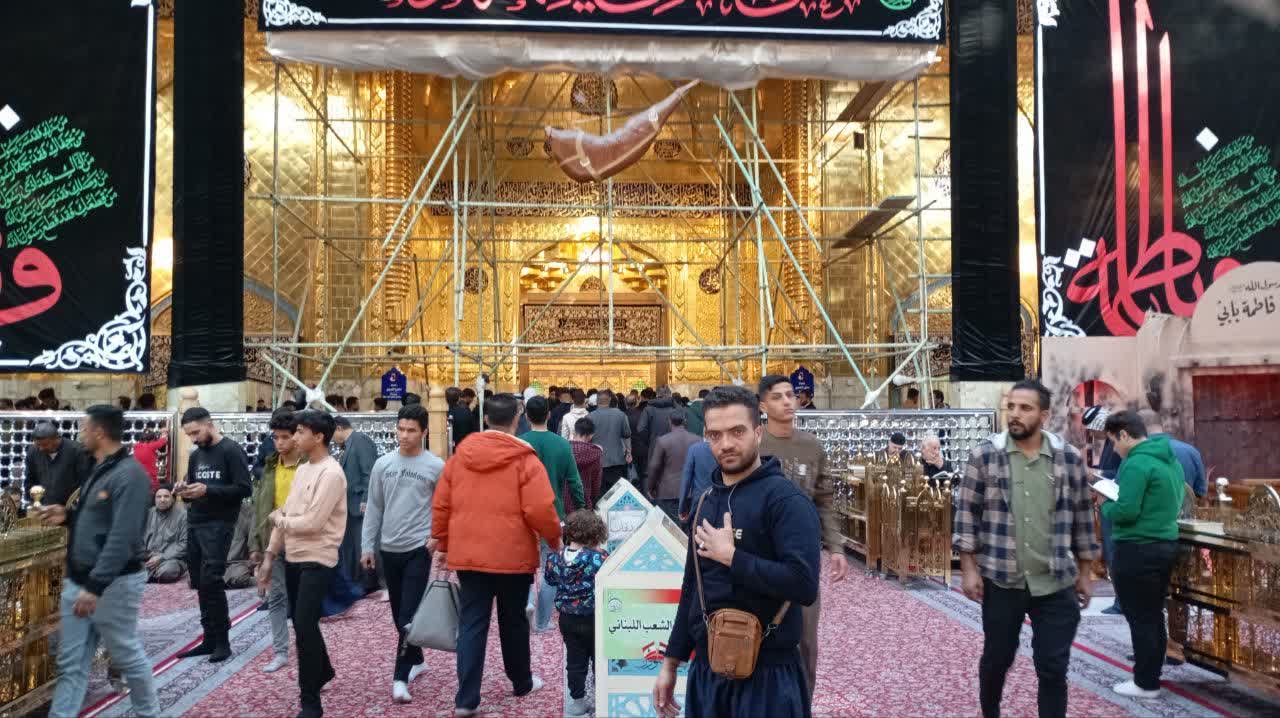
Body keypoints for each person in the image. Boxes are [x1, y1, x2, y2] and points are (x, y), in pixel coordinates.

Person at [653, 385, 821, 718]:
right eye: (715, 435)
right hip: (708, 674)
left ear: (758, 433)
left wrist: (732, 558)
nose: (726, 444)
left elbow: (803, 584)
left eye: (737, 432)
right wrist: (671, 663)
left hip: (768, 677)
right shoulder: (705, 502)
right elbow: (693, 587)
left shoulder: (786, 501)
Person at [954, 379, 1097, 718]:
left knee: (1053, 665)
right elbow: (966, 514)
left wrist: (1086, 572)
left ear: (1044, 415)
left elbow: (1082, 515)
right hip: (1003, 579)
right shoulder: (986, 456)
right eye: (1012, 407)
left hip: (1055, 581)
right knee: (998, 658)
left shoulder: (1067, 459)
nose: (1015, 414)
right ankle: (990, 710)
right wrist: (969, 569)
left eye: (1025, 408)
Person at [431, 393, 563, 717]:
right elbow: (539, 508)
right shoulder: (525, 459)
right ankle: (521, 681)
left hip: (469, 553)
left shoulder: (460, 456)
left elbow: (442, 503)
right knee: (513, 620)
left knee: (472, 622)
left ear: (486, 418)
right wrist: (554, 539)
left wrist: (444, 544)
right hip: (512, 554)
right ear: (517, 419)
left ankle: (466, 699)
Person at [42, 405, 159, 717]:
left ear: (99, 432)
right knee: (71, 664)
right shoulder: (100, 468)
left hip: (113, 584)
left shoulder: (130, 475)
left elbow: (122, 536)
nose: (80, 434)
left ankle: (149, 713)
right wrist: (67, 515)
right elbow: (97, 519)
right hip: (81, 580)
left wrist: (94, 586)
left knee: (125, 655)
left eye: (84, 428)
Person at [757, 375, 849, 700]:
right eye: (778, 396)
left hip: (803, 557)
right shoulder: (754, 445)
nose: (787, 401)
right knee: (760, 635)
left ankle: (803, 702)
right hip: (761, 554)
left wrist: (836, 547)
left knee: (806, 640)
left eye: (790, 395)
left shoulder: (812, 446)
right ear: (762, 406)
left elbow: (824, 500)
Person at [257, 410, 347, 718]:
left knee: (305, 626)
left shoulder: (331, 473)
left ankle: (310, 701)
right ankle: (324, 670)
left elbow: (313, 523)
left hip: (318, 558)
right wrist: (270, 555)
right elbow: (287, 511)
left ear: (318, 437)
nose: (294, 438)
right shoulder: (305, 469)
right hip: (293, 556)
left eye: (299, 432)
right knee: (301, 621)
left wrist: (280, 520)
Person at [361, 404, 445, 703]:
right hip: (388, 548)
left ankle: (399, 677)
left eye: (411, 430)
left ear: (424, 432)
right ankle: (417, 659)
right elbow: (374, 506)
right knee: (399, 615)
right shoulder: (383, 464)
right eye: (401, 429)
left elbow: (444, 507)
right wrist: (367, 545)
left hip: (418, 550)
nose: (404, 435)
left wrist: (438, 538)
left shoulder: (436, 466)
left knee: (407, 616)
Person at [1099, 410, 1184, 699]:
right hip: (1165, 544)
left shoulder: (1136, 463)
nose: (1114, 449)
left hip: (1137, 547)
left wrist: (1104, 504)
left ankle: (1146, 682)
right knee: (1153, 614)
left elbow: (1126, 511)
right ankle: (1151, 675)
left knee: (1140, 617)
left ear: (1124, 434)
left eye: (1113, 441)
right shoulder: (1170, 460)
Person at [176, 408, 252, 663]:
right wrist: (184, 489)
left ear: (209, 424)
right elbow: (195, 487)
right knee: (199, 581)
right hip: (195, 521)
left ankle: (222, 641)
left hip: (219, 523)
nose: (193, 438)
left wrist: (208, 490)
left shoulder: (231, 450)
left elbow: (244, 489)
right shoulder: (196, 455)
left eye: (196, 432)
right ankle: (208, 638)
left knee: (212, 580)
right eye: (189, 434)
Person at [520, 396, 585, 632]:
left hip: (523, 513)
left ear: (526, 416)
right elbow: (574, 482)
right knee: (551, 567)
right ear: (549, 415)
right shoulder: (562, 445)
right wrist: (581, 508)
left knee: (525, 565)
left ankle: (528, 600)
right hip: (553, 512)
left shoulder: (520, 443)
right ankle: (542, 621)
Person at [249, 409, 303, 673]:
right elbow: (260, 505)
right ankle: (281, 651)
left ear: (296, 437)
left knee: (304, 602)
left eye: (284, 437)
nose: (279, 442)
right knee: (276, 597)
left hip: (304, 540)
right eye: (276, 437)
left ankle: (307, 649)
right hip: (274, 540)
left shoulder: (309, 466)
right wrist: (256, 545)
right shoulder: (270, 466)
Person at [544, 509, 608, 718]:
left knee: (575, 660)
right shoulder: (599, 558)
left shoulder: (554, 558)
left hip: (567, 619)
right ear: (595, 534)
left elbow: (550, 580)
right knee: (599, 658)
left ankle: (577, 703)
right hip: (594, 617)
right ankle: (602, 698)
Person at [1082, 405, 1125, 615]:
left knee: (1114, 553)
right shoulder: (1110, 442)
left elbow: (1121, 472)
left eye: (1092, 430)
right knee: (1110, 552)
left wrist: (1095, 473)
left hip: (1115, 504)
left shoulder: (1117, 441)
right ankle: (1120, 600)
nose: (1092, 435)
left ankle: (1122, 602)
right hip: (1107, 503)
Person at [335, 416, 380, 591]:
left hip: (359, 503)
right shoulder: (348, 444)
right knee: (353, 546)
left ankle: (369, 582)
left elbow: (370, 473)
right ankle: (359, 582)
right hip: (350, 505)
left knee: (363, 544)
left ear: (339, 428)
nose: (331, 439)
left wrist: (366, 498)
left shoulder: (360, 441)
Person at [1139, 410, 1207, 502]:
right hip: (1186, 510)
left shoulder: (1134, 455)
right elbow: (1200, 495)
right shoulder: (1192, 452)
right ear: (1161, 424)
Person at [647, 412, 700, 523]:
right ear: (685, 421)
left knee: (673, 527)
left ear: (669, 422)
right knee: (691, 524)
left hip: (669, 492)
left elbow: (654, 466)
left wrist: (651, 488)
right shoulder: (697, 439)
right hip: (692, 490)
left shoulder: (663, 441)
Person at [24, 421, 92, 506]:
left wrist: (71, 509)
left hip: (69, 507)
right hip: (42, 506)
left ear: (57, 439)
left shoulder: (77, 451)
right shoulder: (33, 451)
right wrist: (32, 502)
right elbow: (30, 480)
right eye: (38, 445)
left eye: (45, 445)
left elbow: (84, 483)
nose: (41, 449)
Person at [589, 390, 632, 498]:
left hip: (597, 461)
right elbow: (627, 435)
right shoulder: (620, 415)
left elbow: (587, 440)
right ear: (609, 400)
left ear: (597, 401)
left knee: (599, 494)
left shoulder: (590, 417)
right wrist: (628, 452)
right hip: (616, 460)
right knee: (616, 495)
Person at [143, 484, 187, 583]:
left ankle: (143, 575)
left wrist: (162, 557)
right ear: (154, 499)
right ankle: (149, 574)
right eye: (159, 497)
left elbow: (184, 544)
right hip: (148, 558)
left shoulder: (183, 516)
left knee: (168, 571)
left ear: (173, 499)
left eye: (166, 496)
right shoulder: (148, 514)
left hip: (171, 559)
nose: (162, 500)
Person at [677, 440, 716, 525]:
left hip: (698, 503)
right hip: (721, 503)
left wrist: (681, 508)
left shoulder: (695, 449)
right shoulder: (726, 449)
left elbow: (686, 480)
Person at [569, 417, 603, 512]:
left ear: (574, 432)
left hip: (564, 500)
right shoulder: (595, 453)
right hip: (585, 500)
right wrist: (593, 499)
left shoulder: (563, 448)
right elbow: (596, 482)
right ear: (591, 435)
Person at [637, 387, 678, 466]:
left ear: (657, 395)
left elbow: (641, 429)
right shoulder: (676, 409)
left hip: (654, 446)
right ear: (669, 395)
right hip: (673, 448)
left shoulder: (648, 409)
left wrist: (650, 440)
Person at [223, 501, 257, 590]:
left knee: (240, 578)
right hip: (211, 564)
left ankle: (216, 582)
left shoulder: (247, 511)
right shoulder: (208, 510)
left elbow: (254, 546)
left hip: (235, 564)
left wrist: (252, 558)